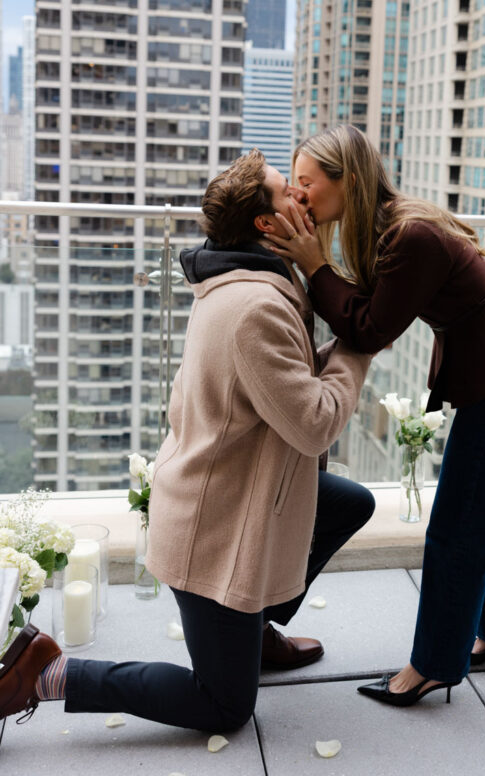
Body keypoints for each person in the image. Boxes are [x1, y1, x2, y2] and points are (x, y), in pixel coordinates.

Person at [0, 150, 374, 733]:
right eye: (287, 192)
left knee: (349, 502)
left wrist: (343, 338)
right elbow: (315, 422)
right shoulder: (254, 306)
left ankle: (254, 631)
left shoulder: (251, 282)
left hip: (234, 494)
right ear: (265, 225)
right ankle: (47, 672)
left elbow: (287, 387)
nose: (301, 197)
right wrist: (359, 345)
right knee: (224, 708)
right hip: (214, 530)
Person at [266, 124, 485, 708]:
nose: (298, 196)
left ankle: (432, 665)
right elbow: (375, 314)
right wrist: (321, 263)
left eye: (306, 183)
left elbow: (370, 329)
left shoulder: (408, 235)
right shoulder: (390, 227)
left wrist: (316, 264)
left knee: (458, 523)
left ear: (346, 179)